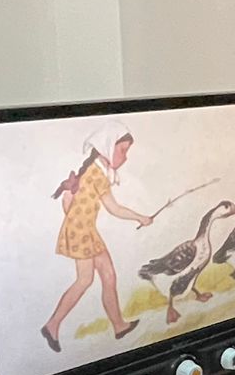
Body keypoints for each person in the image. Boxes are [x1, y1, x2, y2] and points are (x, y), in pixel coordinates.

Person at [41, 120, 154, 351]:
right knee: (85, 280)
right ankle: (52, 325)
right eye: (122, 150)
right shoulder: (96, 175)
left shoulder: (94, 171)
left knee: (108, 275)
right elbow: (114, 208)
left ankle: (119, 325)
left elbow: (69, 201)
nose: (125, 157)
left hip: (86, 231)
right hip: (82, 233)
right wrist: (140, 217)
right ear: (107, 146)